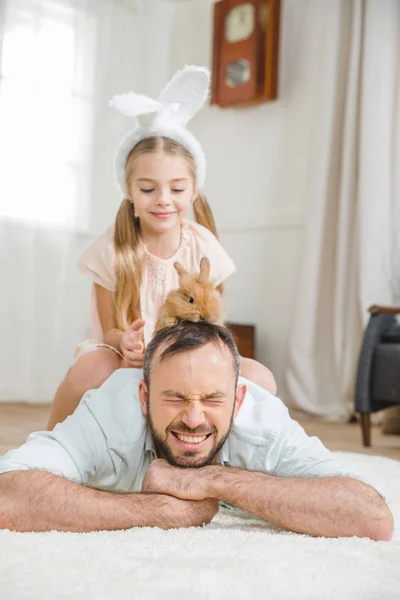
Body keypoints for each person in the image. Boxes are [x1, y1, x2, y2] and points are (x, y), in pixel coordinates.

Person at [0, 322, 393, 540]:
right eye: (174, 398)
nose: (193, 418)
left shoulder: (261, 421)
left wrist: (212, 480)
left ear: (239, 401)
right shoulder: (110, 412)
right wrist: (164, 511)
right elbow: (8, 494)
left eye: (211, 399)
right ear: (144, 396)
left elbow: (371, 516)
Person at [47, 65, 276, 430]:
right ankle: (46, 447)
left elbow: (211, 317)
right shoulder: (113, 246)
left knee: (260, 376)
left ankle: (240, 459)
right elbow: (107, 332)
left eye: (177, 189)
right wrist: (126, 340)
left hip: (185, 357)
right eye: (148, 189)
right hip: (127, 357)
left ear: (194, 191)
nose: (163, 201)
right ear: (129, 192)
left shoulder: (202, 244)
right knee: (89, 367)